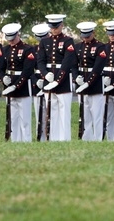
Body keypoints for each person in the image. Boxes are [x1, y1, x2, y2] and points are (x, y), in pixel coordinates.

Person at [36, 13, 77, 142]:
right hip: (48, 79)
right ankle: (53, 138)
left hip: (63, 81)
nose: (53, 29)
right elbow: (40, 60)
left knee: (64, 112)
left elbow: (67, 62)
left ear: (61, 25)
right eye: (52, 27)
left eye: (56, 27)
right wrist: (45, 73)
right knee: (51, 111)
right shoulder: (44, 42)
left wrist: (58, 79)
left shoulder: (68, 41)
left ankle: (64, 139)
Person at [0, 23, 35, 142]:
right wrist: (3, 78)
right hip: (9, 85)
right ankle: (15, 140)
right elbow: (0, 68)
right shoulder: (5, 50)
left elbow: (27, 70)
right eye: (8, 39)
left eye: (12, 38)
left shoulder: (27, 49)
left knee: (25, 118)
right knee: (13, 118)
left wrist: (16, 85)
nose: (10, 41)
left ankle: (26, 140)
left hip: (23, 86)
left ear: (18, 35)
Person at [74, 21, 107, 140]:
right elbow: (73, 65)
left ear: (93, 33)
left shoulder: (100, 47)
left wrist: (88, 83)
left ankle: (98, 138)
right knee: (85, 114)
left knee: (97, 115)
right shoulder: (77, 47)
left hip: (95, 85)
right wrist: (76, 77)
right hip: (80, 82)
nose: (86, 38)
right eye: (83, 36)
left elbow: (98, 68)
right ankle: (86, 137)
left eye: (88, 36)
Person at [101, 20, 114, 141]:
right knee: (108, 115)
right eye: (109, 34)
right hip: (106, 84)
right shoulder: (104, 47)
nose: (112, 36)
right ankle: (111, 138)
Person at [30, 23, 50, 141]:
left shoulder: (52, 48)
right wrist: (36, 81)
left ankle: (50, 136)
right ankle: (41, 137)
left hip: (50, 80)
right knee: (39, 113)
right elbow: (28, 69)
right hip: (37, 82)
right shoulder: (32, 50)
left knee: (51, 111)